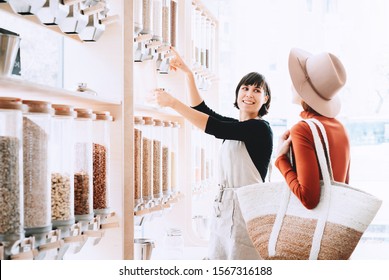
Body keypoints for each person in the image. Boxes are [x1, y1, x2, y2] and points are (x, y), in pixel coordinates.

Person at [154, 47, 273, 260]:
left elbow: (214, 127)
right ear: (237, 95)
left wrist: (172, 102)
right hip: (225, 209)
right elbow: (204, 112)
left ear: (265, 99)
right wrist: (188, 74)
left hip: (246, 211)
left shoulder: (260, 129)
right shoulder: (238, 126)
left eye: (257, 90)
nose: (249, 94)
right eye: (245, 88)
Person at [276, 48, 350, 209]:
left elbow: (309, 200)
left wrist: (281, 159)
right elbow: (345, 187)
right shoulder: (340, 128)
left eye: (295, 81)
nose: (291, 85)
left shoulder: (302, 130)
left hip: (312, 230)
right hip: (333, 222)